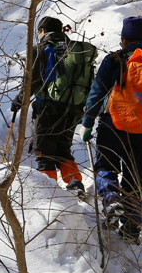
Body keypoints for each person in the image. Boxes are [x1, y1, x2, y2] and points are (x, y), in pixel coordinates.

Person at [81, 16, 142, 243]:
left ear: (124, 39)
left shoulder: (116, 59)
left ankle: (112, 200)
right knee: (135, 177)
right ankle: (132, 227)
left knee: (106, 165)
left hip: (113, 125)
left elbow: (98, 91)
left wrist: (88, 121)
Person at [12, 16, 95, 195]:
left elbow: (31, 81)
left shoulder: (41, 49)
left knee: (44, 152)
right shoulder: (74, 49)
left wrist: (19, 100)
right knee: (63, 149)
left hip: (48, 108)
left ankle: (48, 194)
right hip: (74, 107)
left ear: (42, 31)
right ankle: (75, 182)